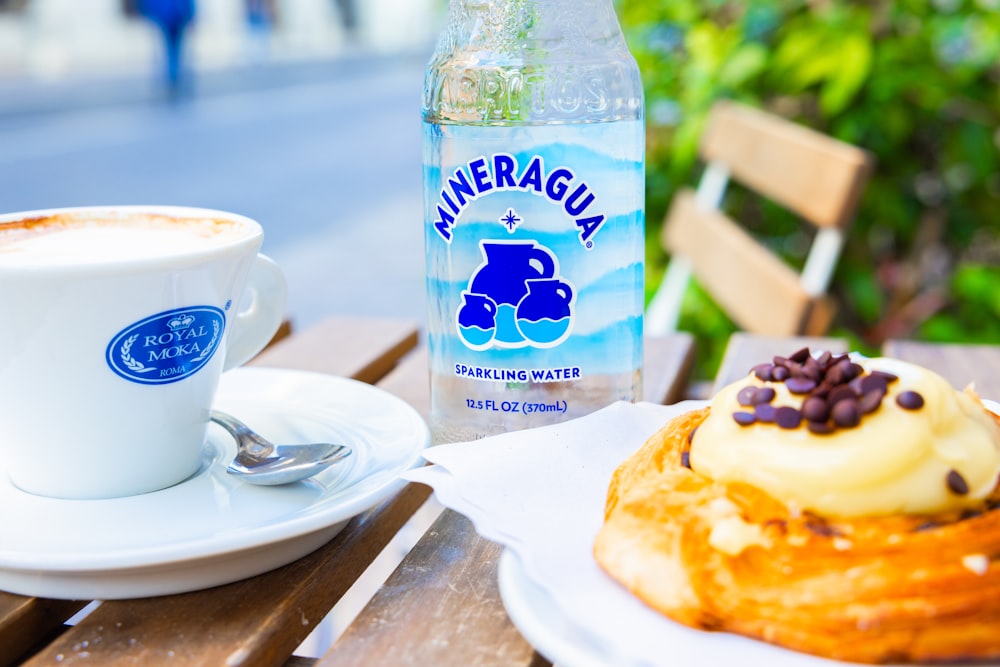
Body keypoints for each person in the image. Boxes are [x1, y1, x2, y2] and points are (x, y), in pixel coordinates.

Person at [139, 0, 196, 98]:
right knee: (173, 49)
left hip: (169, 18)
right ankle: (172, 77)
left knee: (171, 49)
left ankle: (172, 77)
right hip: (171, 18)